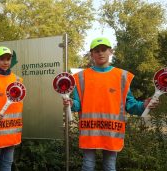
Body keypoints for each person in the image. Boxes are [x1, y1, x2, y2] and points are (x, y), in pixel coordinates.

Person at [63, 37, 159, 171]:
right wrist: (71, 103)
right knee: (88, 166)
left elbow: (130, 105)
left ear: (110, 52)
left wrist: (144, 105)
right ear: (92, 54)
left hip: (112, 132)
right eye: (96, 51)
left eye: (104, 50)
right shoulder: (81, 77)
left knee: (109, 166)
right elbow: (77, 104)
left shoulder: (121, 76)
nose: (100, 53)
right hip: (89, 131)